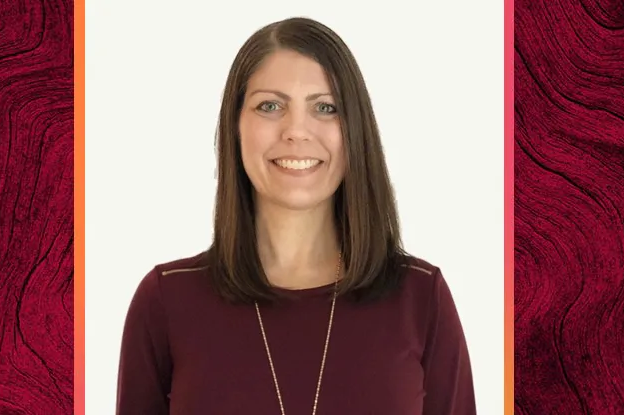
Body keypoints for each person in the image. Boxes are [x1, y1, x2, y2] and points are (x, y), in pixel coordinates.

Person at [116, 16, 476, 415]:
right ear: (236, 126)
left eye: (325, 107)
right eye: (270, 106)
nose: (296, 130)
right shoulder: (166, 301)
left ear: (354, 129)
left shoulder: (421, 298)